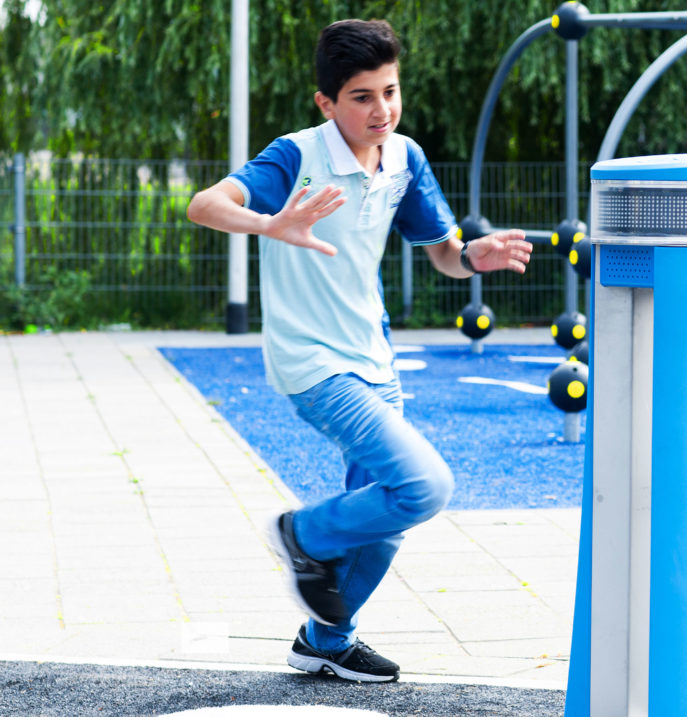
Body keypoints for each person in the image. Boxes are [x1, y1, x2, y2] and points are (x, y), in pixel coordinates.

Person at [186, 18, 532, 683]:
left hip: (376, 359)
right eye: (362, 96)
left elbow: (442, 253)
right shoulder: (295, 156)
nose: (382, 110)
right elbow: (205, 204)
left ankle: (324, 638)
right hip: (313, 363)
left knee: (388, 523)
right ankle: (303, 535)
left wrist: (471, 258)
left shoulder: (405, 158)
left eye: (390, 91)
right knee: (424, 485)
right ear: (326, 102)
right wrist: (269, 221)